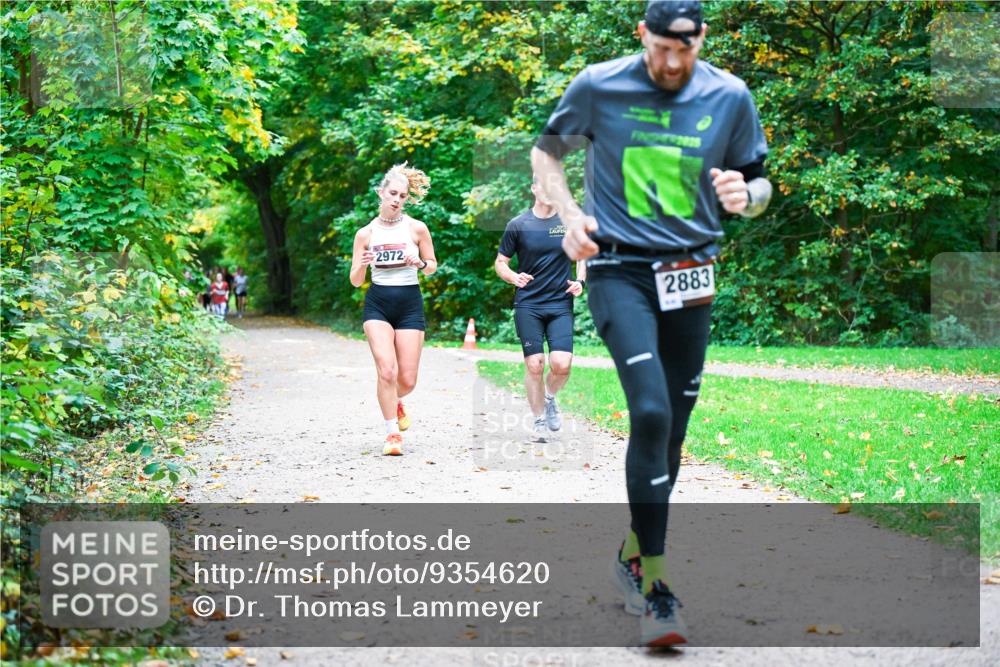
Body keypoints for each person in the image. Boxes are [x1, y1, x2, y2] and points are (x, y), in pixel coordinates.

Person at [531, 0, 772, 646]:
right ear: (642, 35)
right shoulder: (599, 84)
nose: (670, 63)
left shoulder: (731, 95)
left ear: (702, 40)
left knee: (673, 433)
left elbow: (760, 181)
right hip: (619, 271)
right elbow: (546, 155)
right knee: (651, 411)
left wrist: (745, 198)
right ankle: (658, 591)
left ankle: (633, 551)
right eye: (660, 48)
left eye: (684, 50)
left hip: (692, 274)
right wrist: (570, 215)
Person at [349, 163, 437, 456]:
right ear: (381, 193)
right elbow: (355, 280)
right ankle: (392, 435)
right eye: (393, 193)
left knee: (407, 380)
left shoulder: (416, 228)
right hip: (378, 304)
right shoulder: (365, 233)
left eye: (403, 195)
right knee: (387, 370)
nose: (397, 199)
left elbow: (432, 268)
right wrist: (361, 264)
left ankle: (396, 400)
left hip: (410, 303)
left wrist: (419, 263)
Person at [494, 178, 586, 442]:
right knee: (535, 364)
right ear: (534, 188)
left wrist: (580, 282)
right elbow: (501, 262)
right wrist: (513, 277)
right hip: (529, 304)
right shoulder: (518, 225)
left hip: (559, 303)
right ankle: (537, 421)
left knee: (562, 364)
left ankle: (549, 398)